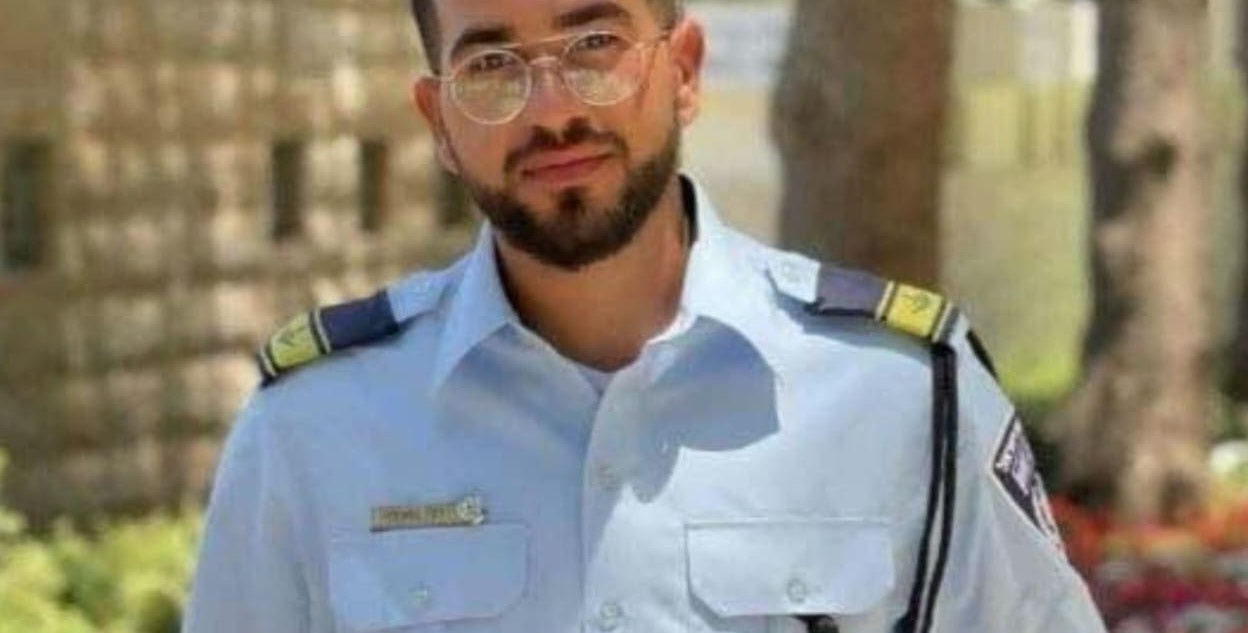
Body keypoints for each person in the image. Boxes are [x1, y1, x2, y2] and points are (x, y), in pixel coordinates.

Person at [182, 0, 1109, 631]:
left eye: (594, 44)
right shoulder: (314, 427)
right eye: (492, 65)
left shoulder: (903, 392)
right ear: (439, 124)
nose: (551, 110)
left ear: (686, 71)